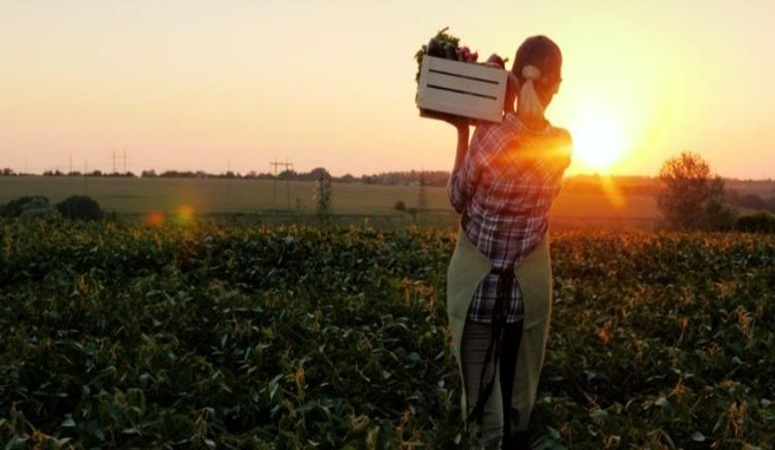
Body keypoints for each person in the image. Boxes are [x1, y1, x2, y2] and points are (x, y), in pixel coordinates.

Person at [443, 35, 572, 449]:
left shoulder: (489, 136)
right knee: (514, 413)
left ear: (514, 78)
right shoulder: (562, 145)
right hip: (522, 301)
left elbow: (457, 198)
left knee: (486, 420)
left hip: (479, 297)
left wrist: (466, 128)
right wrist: (514, 95)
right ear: (557, 86)